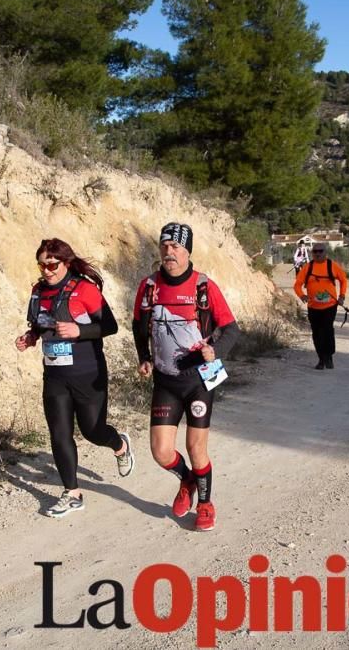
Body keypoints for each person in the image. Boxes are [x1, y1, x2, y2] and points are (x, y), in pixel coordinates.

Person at [15, 238, 134, 518]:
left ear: (66, 263)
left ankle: (120, 445)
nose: (46, 270)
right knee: (59, 433)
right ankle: (72, 493)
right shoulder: (38, 291)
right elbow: (39, 325)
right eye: (41, 265)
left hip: (87, 372)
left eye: (52, 264)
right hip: (55, 374)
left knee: (93, 430)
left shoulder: (84, 289)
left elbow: (110, 326)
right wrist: (30, 338)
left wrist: (80, 331)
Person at [132, 223, 240, 531]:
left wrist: (215, 351)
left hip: (200, 378)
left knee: (196, 447)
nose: (169, 252)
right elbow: (138, 324)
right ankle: (188, 479)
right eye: (165, 246)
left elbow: (232, 329)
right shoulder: (149, 286)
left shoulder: (203, 286)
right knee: (161, 451)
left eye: (176, 247)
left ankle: (205, 504)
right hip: (166, 379)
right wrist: (144, 356)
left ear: (187, 251)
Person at [294, 243, 348, 370]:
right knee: (317, 334)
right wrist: (302, 295)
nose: (318, 254)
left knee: (327, 330)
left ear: (325, 252)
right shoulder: (308, 268)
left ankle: (328, 357)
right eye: (315, 251)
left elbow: (343, 280)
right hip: (313, 307)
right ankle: (321, 358)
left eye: (320, 251)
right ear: (312, 253)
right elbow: (297, 285)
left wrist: (342, 296)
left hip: (330, 306)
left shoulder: (332, 266)